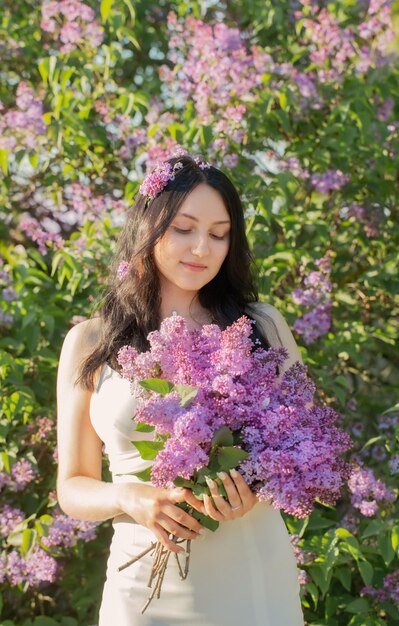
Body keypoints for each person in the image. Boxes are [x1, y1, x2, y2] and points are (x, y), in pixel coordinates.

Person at [56, 154, 305, 626]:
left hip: (251, 573)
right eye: (184, 228)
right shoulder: (91, 341)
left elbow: (303, 447)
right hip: (142, 586)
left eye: (218, 233)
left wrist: (254, 488)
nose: (202, 248)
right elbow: (72, 487)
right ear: (149, 228)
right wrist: (127, 497)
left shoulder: (261, 326)